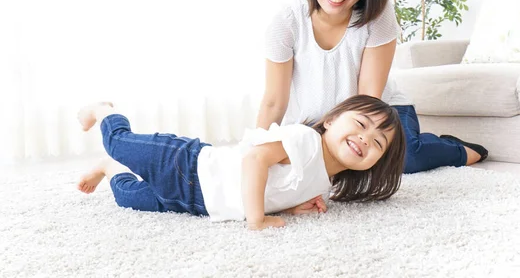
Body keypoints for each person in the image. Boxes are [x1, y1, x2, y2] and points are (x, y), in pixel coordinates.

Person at [257, 0, 488, 174]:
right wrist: (255, 148)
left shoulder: (378, 15)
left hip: (376, 114)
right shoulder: (287, 21)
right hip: (318, 121)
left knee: (403, 160)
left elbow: (368, 98)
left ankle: (457, 149)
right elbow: (274, 103)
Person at [77, 95, 406, 230]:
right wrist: (257, 219)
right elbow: (255, 159)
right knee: (118, 141)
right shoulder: (306, 140)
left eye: (377, 142)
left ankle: (110, 168)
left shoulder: (325, 183)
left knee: (127, 197)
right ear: (331, 121)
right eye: (361, 125)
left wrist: (291, 209)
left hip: (195, 203)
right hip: (185, 164)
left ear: (375, 163)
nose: (365, 138)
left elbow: (276, 188)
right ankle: (104, 109)